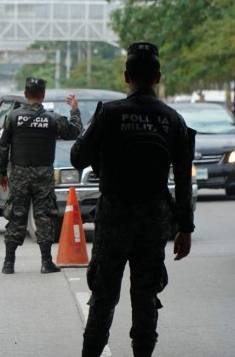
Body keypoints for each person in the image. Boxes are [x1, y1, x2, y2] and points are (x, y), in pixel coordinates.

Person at [70, 42, 195, 357]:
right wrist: (185, 228)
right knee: (146, 296)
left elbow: (77, 158)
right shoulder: (173, 119)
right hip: (153, 222)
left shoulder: (109, 113)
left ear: (127, 77)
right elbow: (182, 177)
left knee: (103, 296)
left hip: (114, 219)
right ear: (158, 77)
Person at [0, 77, 82, 275]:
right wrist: (74, 110)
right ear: (42, 96)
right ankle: (46, 262)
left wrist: (1, 173)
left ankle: (8, 263)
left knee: (16, 216)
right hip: (43, 175)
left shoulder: (12, 117)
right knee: (44, 217)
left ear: (25, 95)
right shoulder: (53, 119)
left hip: (19, 174)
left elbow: (2, 148)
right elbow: (75, 132)